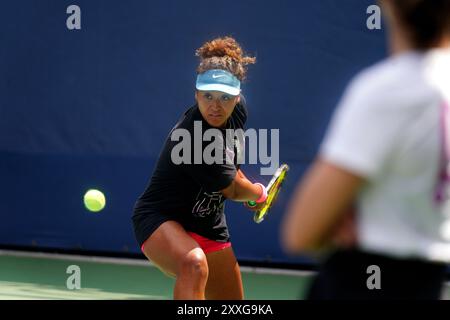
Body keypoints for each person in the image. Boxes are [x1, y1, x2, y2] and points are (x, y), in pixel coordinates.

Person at [281, 0, 450, 299]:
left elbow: (300, 233)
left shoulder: (386, 91)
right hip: (426, 284)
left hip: (357, 284)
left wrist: (337, 217)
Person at [132, 36, 267, 300]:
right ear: (196, 94)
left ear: (238, 98)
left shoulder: (238, 114)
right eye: (207, 96)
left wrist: (249, 192)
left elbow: (229, 165)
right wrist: (259, 194)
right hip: (161, 220)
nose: (215, 106)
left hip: (209, 224)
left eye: (225, 98)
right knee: (193, 264)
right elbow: (232, 190)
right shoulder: (194, 137)